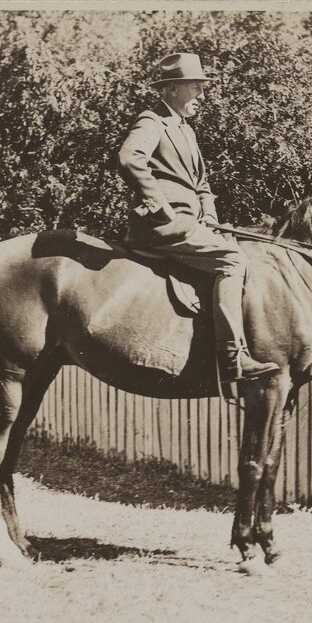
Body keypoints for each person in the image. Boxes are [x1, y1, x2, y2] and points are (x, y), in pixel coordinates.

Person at [117, 52, 279, 389]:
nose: (202, 96)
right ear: (172, 89)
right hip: (163, 225)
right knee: (232, 260)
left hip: (191, 223)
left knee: (238, 247)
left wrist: (212, 221)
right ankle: (232, 357)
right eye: (196, 88)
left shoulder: (185, 130)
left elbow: (201, 184)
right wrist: (159, 206)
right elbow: (130, 158)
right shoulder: (152, 122)